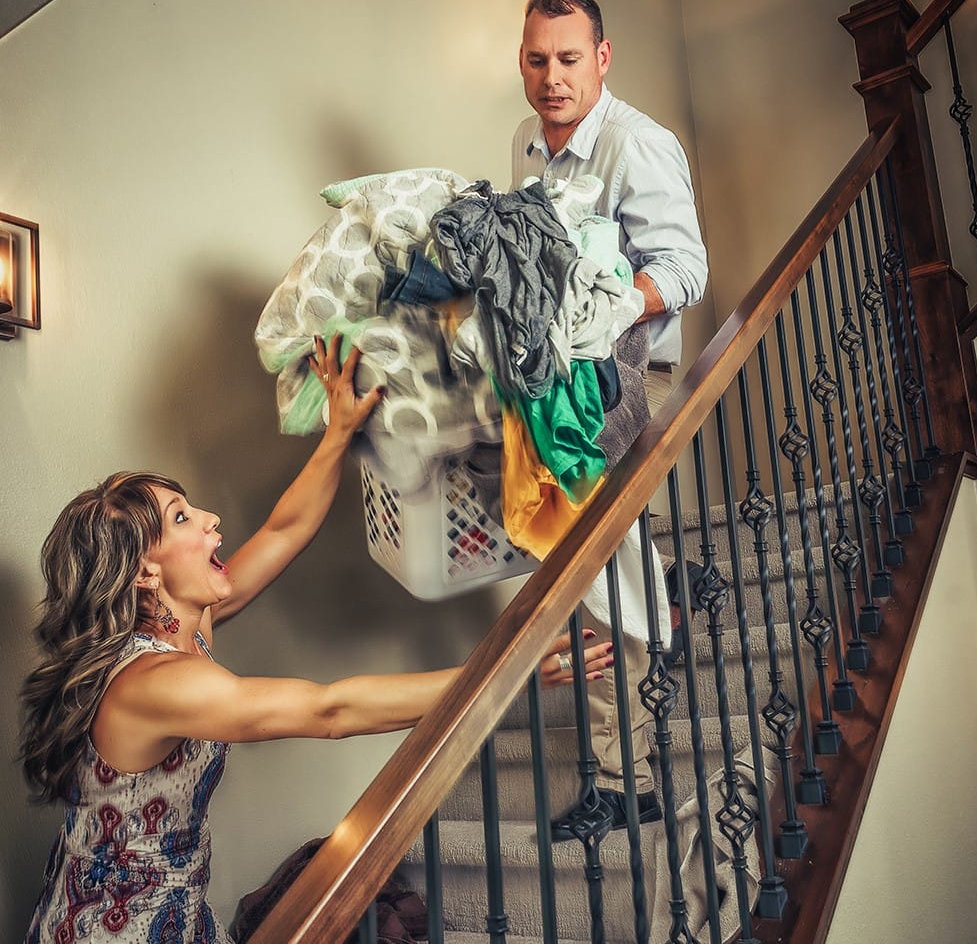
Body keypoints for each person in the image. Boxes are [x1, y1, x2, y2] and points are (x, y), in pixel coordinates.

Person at [19, 335, 614, 943]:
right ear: (146, 572)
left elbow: (283, 529)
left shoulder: (184, 626)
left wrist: (337, 432)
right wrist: (504, 673)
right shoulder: (154, 684)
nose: (210, 520)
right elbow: (329, 710)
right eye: (181, 518)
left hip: (171, 913)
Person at [512, 0, 709, 841]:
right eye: (535, 59)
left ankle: (626, 780)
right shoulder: (528, 143)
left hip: (631, 376)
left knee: (595, 561)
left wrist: (613, 306)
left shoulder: (638, 144)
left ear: (602, 57)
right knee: (603, 552)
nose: (551, 78)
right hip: (563, 378)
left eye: (567, 59)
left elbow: (688, 268)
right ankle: (671, 590)